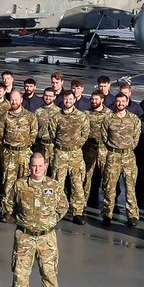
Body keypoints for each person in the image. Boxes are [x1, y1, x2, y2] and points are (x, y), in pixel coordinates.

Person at [11, 152, 68, 287]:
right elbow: (9, 205)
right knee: (20, 274)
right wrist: (25, 222)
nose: (37, 169)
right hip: (25, 236)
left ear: (45, 166)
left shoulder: (54, 186)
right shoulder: (20, 185)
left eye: (40, 166)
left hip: (47, 237)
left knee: (49, 274)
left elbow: (63, 207)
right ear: (29, 166)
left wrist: (49, 222)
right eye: (34, 166)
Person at [49, 92, 90, 224]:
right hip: (60, 153)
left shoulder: (81, 116)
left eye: (70, 99)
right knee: (58, 183)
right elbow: (52, 133)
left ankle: (78, 212)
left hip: (75, 154)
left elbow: (85, 133)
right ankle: (57, 210)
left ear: (74, 100)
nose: (67, 101)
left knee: (77, 184)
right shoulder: (56, 117)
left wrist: (76, 145)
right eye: (66, 99)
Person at [101, 93, 141, 226]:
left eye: (123, 101)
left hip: (128, 156)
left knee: (130, 187)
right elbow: (104, 137)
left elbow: (136, 138)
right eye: (118, 101)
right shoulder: (108, 118)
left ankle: (132, 215)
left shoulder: (134, 119)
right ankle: (107, 213)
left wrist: (127, 149)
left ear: (127, 101)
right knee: (110, 186)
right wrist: (114, 149)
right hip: (113, 155)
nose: (120, 104)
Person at [0, 90, 38, 222]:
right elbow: (0, 132)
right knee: (8, 184)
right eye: (12, 100)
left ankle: (23, 211)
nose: (14, 102)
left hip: (25, 154)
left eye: (16, 100)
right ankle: (7, 211)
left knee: (24, 184)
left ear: (21, 100)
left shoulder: (29, 116)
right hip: (10, 154)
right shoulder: (5, 116)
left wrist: (25, 144)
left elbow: (34, 133)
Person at [83, 91, 111, 209]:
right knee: (86, 178)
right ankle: (82, 204)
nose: (94, 101)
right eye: (92, 99)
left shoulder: (109, 114)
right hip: (89, 148)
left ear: (102, 100)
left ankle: (108, 205)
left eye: (96, 99)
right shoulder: (86, 113)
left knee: (107, 178)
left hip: (104, 148)